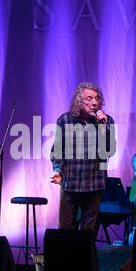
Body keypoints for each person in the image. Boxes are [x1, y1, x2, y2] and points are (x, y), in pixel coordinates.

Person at [50, 82, 116, 231]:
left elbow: (109, 151)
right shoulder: (65, 120)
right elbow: (57, 151)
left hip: (94, 183)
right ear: (79, 101)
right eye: (89, 98)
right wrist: (57, 170)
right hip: (70, 182)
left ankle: (85, 255)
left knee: (88, 231)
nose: (94, 102)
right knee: (66, 229)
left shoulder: (107, 121)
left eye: (97, 98)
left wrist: (102, 127)